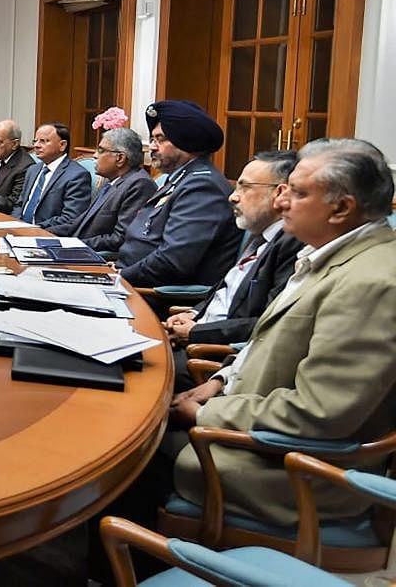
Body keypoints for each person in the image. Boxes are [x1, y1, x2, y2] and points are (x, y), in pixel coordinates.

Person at [169, 139, 396, 527]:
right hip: (253, 427)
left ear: (341, 208)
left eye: (298, 193)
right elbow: (270, 337)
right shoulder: (328, 252)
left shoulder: (371, 282)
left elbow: (320, 412)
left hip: (292, 472)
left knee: (123, 458)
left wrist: (209, 411)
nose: (281, 202)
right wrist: (221, 380)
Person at [165, 151, 301, 388]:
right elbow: (226, 292)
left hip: (215, 357)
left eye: (245, 187)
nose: (233, 197)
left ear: (280, 193)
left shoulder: (292, 244)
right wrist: (193, 314)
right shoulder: (259, 232)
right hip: (196, 339)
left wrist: (197, 332)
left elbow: (266, 324)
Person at [116, 101, 241, 287]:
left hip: (153, 295)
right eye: (152, 139)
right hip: (130, 281)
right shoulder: (181, 178)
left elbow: (171, 262)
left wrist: (118, 276)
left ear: (187, 142)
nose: (152, 147)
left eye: (161, 139)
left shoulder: (203, 186)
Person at [47, 127, 155, 250]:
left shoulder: (139, 184)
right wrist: (41, 233)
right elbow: (79, 222)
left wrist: (71, 245)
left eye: (101, 150)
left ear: (120, 158)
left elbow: (119, 239)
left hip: (94, 257)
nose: (95, 155)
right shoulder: (113, 180)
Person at [10, 122, 92, 229]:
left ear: (62, 145)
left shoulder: (77, 176)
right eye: (35, 141)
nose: (36, 145)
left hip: (48, 234)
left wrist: (33, 229)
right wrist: (16, 224)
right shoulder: (33, 170)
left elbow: (70, 218)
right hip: (20, 231)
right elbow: (19, 205)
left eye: (44, 141)